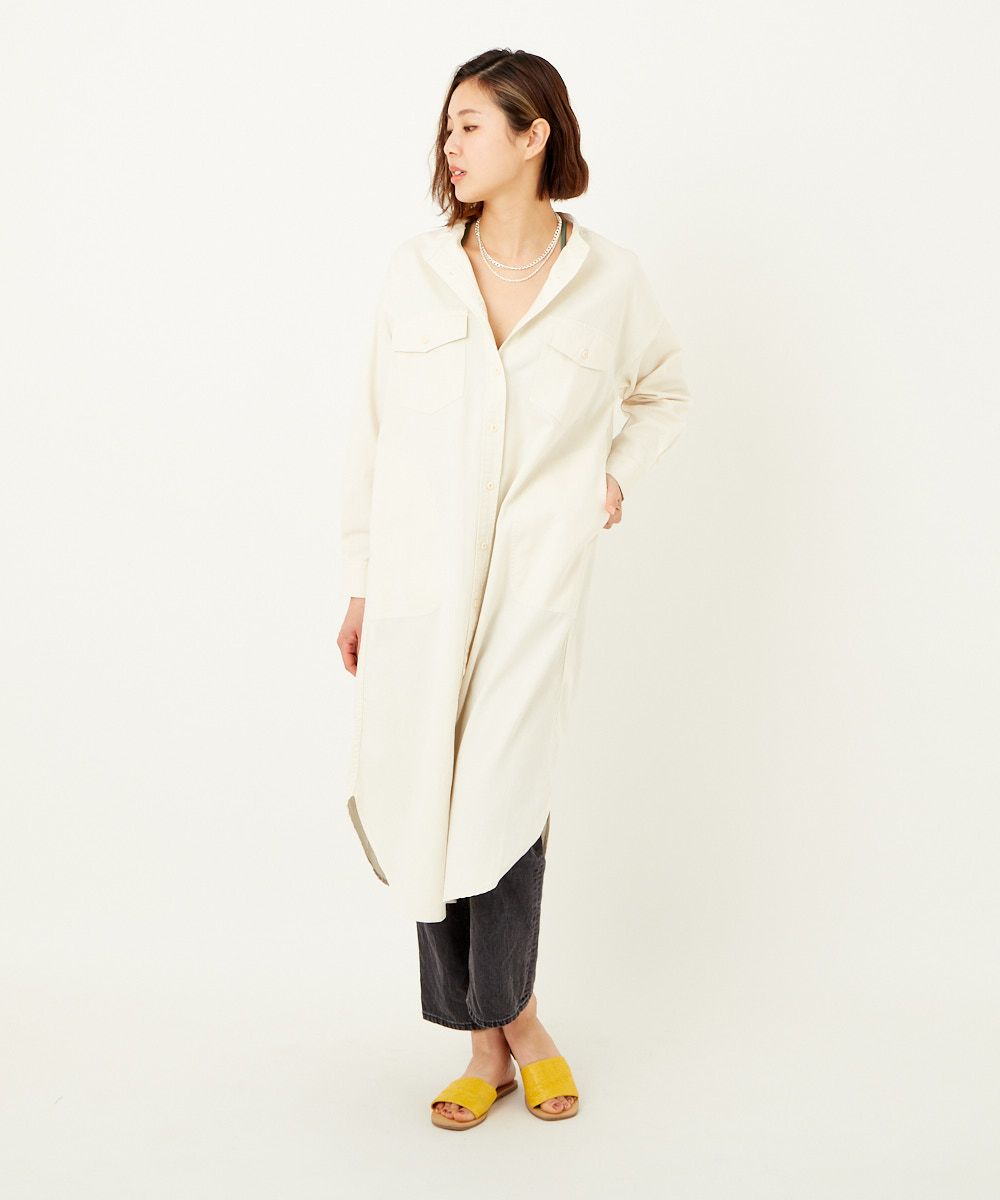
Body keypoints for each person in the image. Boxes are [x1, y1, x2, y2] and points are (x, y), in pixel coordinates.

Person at [337, 48, 692, 1129]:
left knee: (503, 797)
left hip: (537, 583)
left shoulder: (609, 280)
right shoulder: (415, 271)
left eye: (472, 124)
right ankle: (493, 1040)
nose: (450, 145)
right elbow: (371, 435)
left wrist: (615, 475)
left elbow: (664, 390)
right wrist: (360, 582)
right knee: (426, 796)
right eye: (446, 127)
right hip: (418, 583)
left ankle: (509, 1024)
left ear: (534, 135)